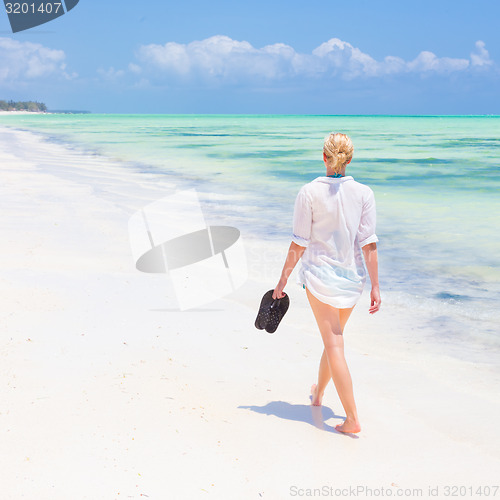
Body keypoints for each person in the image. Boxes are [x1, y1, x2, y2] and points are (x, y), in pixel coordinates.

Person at [272, 132, 381, 434]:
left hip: (319, 278)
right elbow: (368, 244)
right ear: (350, 159)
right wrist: (375, 286)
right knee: (334, 338)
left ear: (323, 157)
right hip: (352, 282)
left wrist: (281, 282)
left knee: (334, 341)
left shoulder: (308, 192)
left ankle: (352, 417)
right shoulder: (364, 193)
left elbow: (299, 244)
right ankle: (318, 394)